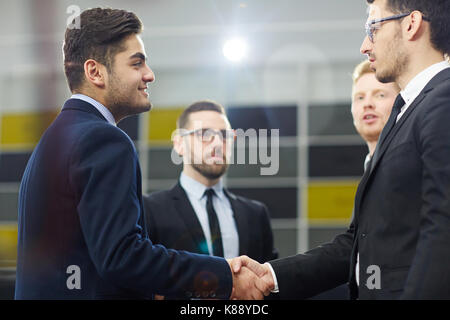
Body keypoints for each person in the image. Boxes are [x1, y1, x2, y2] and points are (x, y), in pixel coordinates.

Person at [15, 8, 269, 300]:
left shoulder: (56, 137)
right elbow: (122, 257)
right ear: (95, 72)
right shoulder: (104, 139)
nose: (149, 75)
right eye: (136, 64)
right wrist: (223, 277)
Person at [233, 0, 450, 300]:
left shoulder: (443, 99)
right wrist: (270, 275)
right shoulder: (405, 112)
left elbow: (443, 230)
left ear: (411, 24)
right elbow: (358, 243)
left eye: (373, 28)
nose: (364, 45)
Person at [142, 101, 278, 299]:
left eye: (224, 135)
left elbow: (270, 286)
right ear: (179, 144)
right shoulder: (149, 209)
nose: (217, 143)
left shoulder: (255, 214)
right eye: (205, 134)